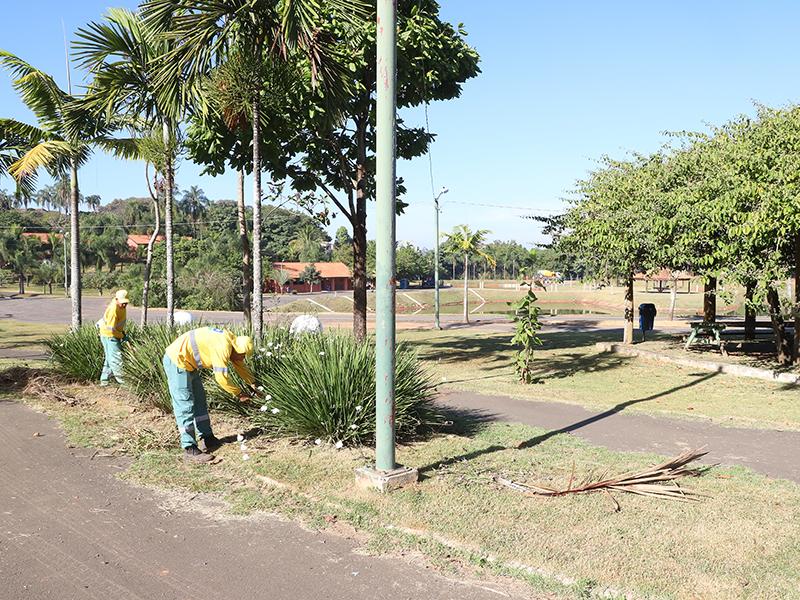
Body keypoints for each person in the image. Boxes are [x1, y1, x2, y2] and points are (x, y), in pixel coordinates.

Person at [162, 326, 254, 462]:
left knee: (200, 401)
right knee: (185, 404)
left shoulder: (232, 343)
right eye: (243, 356)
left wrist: (253, 385)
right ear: (238, 350)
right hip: (177, 361)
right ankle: (189, 448)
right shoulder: (223, 347)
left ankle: (208, 438)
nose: (242, 359)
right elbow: (221, 378)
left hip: (189, 363)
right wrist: (239, 394)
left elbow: (241, 367)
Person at [98, 289, 129, 386]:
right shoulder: (113, 310)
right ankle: (124, 382)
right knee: (116, 358)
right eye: (122, 303)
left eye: (125, 303)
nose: (124, 305)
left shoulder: (121, 307)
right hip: (109, 336)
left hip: (112, 334)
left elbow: (118, 325)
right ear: (116, 299)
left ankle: (104, 380)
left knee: (109, 357)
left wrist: (122, 334)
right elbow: (111, 329)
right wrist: (121, 336)